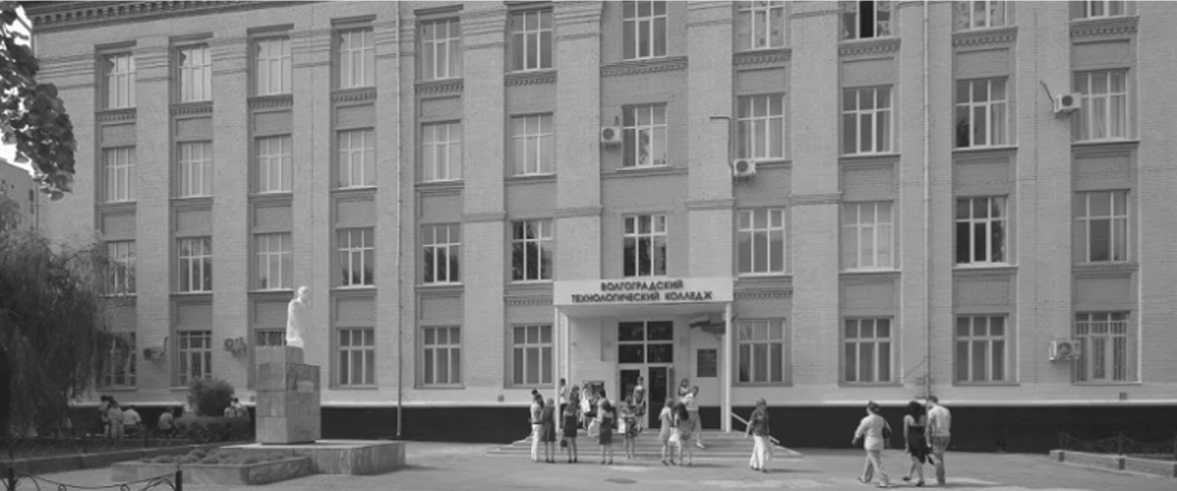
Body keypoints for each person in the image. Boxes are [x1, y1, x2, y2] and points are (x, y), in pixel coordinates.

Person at [852, 401, 892, 488]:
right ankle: (865, 477)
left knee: (877, 463)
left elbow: (860, 430)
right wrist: (887, 441)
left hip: (871, 443)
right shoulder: (882, 419)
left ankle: (884, 481)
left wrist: (855, 438)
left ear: (869, 409)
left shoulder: (867, 419)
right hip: (879, 442)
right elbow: (889, 430)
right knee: (869, 460)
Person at [902, 400, 931, 486]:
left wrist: (906, 443)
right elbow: (926, 430)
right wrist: (927, 441)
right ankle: (909, 475)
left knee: (916, 458)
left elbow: (905, 432)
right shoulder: (923, 417)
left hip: (912, 439)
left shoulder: (907, 417)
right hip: (921, 438)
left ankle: (921, 479)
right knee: (917, 457)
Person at [926, 396, 952, 486]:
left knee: (937, 459)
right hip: (946, 435)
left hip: (937, 435)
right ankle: (942, 478)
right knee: (940, 457)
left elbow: (929, 426)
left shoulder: (932, 411)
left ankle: (941, 481)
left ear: (930, 401)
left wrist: (928, 441)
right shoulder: (946, 410)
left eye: (927, 402)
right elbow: (949, 424)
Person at [746, 398, 771, 472]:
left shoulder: (766, 413)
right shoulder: (755, 413)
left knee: (756, 449)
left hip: (764, 434)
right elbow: (750, 423)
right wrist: (746, 433)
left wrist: (768, 433)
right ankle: (761, 466)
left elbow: (766, 424)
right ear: (759, 405)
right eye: (763, 404)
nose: (765, 406)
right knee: (761, 449)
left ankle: (752, 463)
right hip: (757, 433)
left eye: (765, 404)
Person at [672, 400, 694, 466]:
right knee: (688, 447)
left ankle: (680, 461)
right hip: (688, 432)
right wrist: (690, 430)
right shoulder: (688, 414)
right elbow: (691, 423)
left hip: (680, 432)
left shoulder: (677, 415)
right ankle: (690, 461)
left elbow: (676, 424)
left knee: (680, 448)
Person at [563, 387, 581, 463]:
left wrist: (563, 428)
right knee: (574, 443)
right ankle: (575, 457)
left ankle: (569, 458)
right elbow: (577, 421)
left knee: (569, 443)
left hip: (567, 426)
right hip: (573, 426)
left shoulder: (566, 408)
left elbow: (564, 419)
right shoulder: (576, 409)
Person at [658, 399, 675, 465]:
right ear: (671, 404)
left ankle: (663, 458)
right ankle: (671, 459)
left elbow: (659, 418)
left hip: (663, 428)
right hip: (669, 428)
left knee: (664, 445)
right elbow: (671, 419)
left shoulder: (663, 409)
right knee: (671, 445)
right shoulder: (669, 410)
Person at [598, 399, 615, 465]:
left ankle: (603, 459)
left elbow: (601, 421)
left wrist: (596, 420)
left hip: (603, 429)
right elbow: (612, 422)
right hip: (609, 429)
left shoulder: (603, 412)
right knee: (609, 445)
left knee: (602, 445)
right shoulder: (611, 413)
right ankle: (610, 459)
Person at [529, 391, 544, 463]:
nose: (541, 400)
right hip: (538, 423)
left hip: (534, 424)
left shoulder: (532, 405)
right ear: (537, 399)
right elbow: (538, 415)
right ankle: (536, 457)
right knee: (537, 441)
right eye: (540, 398)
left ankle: (533, 455)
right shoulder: (537, 406)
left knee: (534, 440)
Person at [541, 397, 557, 463]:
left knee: (545, 443)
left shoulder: (544, 409)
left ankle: (546, 458)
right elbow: (554, 418)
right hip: (551, 426)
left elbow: (541, 418)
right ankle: (552, 458)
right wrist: (555, 427)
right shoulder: (553, 409)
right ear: (552, 403)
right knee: (552, 443)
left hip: (545, 426)